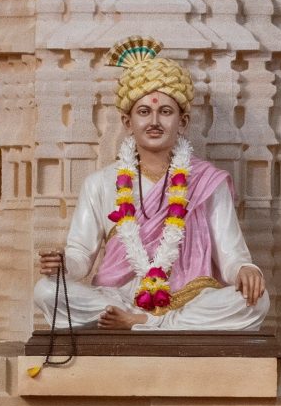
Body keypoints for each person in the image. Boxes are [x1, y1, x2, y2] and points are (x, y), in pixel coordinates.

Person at [33, 40, 267, 333]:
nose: (154, 122)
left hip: (188, 299)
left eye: (165, 112)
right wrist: (63, 264)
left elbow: (232, 255)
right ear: (127, 122)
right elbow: (81, 253)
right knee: (45, 291)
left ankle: (147, 324)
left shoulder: (207, 181)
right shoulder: (100, 183)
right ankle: (155, 325)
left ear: (182, 122)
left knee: (257, 301)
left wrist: (246, 270)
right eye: (143, 112)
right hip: (118, 298)